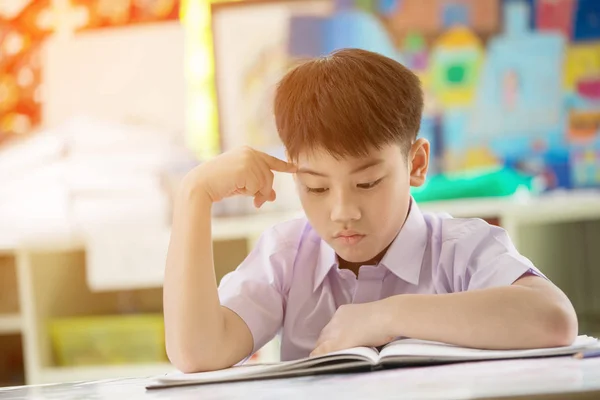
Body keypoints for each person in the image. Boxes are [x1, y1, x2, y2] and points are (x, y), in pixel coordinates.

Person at [163, 48, 578, 373]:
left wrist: (386, 316)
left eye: (367, 183)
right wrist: (194, 195)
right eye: (316, 186)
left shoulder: (460, 248)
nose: (343, 211)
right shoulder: (286, 255)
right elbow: (198, 353)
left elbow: (554, 319)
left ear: (415, 164)